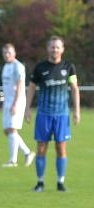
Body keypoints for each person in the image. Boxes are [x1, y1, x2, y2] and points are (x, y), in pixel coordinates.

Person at [25, 35, 80, 192]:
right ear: (47, 48)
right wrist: (27, 109)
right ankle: (40, 182)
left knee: (61, 148)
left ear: (62, 49)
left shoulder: (69, 67)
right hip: (44, 114)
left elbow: (75, 89)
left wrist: (76, 111)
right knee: (41, 148)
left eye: (57, 47)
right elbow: (31, 88)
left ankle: (60, 182)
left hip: (62, 115)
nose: (54, 49)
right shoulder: (40, 67)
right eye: (52, 46)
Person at [0, 43, 35, 168]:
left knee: (12, 129)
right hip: (8, 101)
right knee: (7, 131)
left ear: (14, 53)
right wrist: (5, 102)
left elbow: (20, 86)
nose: (6, 54)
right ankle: (27, 152)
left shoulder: (17, 66)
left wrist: (15, 103)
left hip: (17, 101)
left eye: (9, 52)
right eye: (4, 52)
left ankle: (13, 161)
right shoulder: (5, 66)